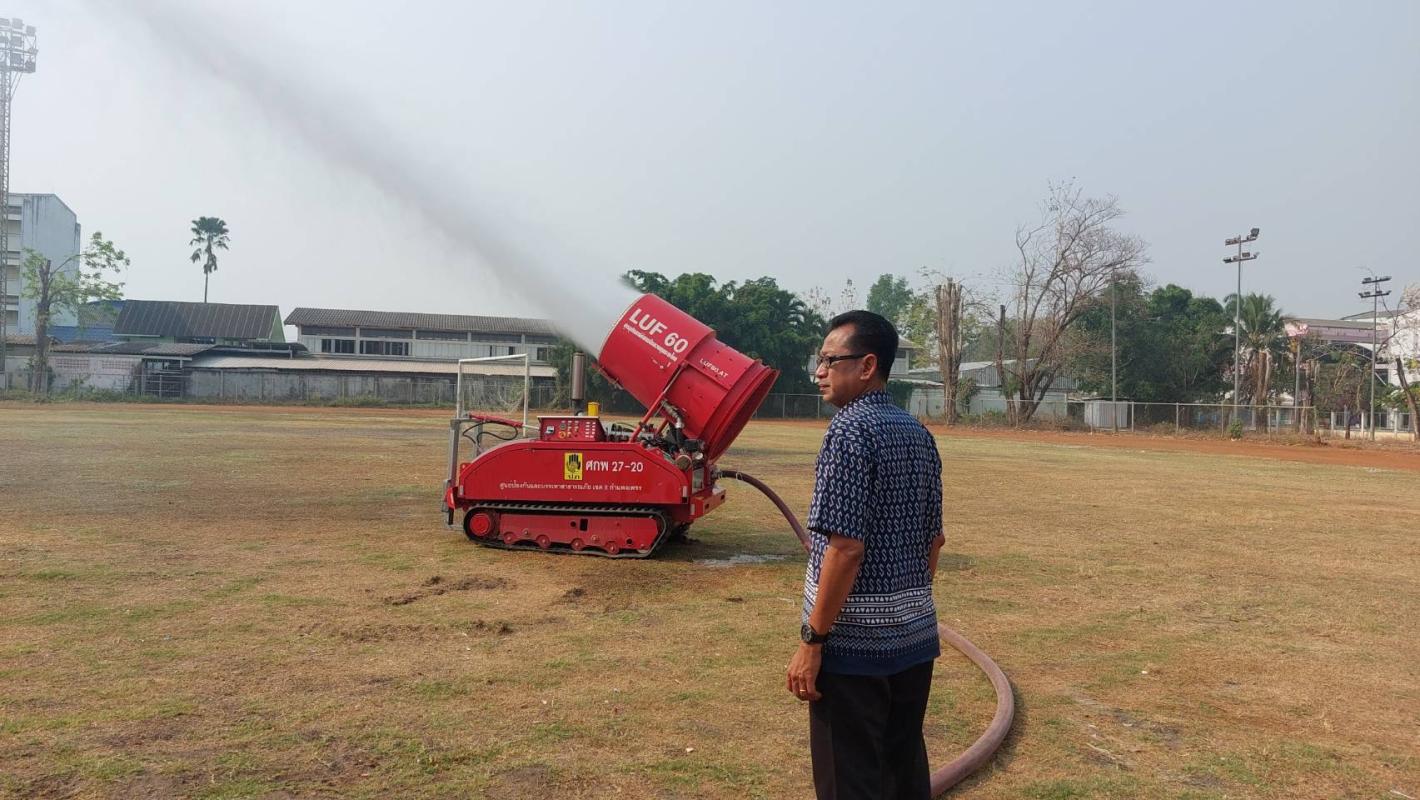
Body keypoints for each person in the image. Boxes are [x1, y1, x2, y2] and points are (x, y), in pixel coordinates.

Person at [787, 310, 946, 800]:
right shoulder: (917, 433)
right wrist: (901, 611)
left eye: (830, 360)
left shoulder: (849, 432)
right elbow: (934, 541)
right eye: (819, 361)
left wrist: (813, 641)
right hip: (914, 643)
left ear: (867, 365)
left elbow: (845, 548)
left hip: (853, 652)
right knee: (902, 775)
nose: (819, 372)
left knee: (849, 781)